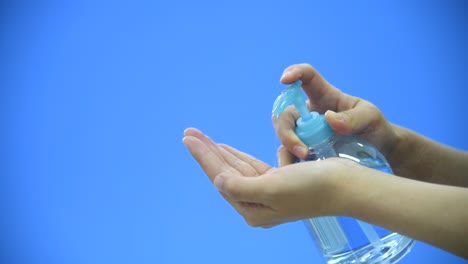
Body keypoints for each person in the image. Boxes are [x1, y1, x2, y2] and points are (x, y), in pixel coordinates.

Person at [182, 63, 468, 259]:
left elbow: (343, 186)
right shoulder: (361, 142)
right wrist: (395, 149)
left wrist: (344, 190)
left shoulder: (338, 182)